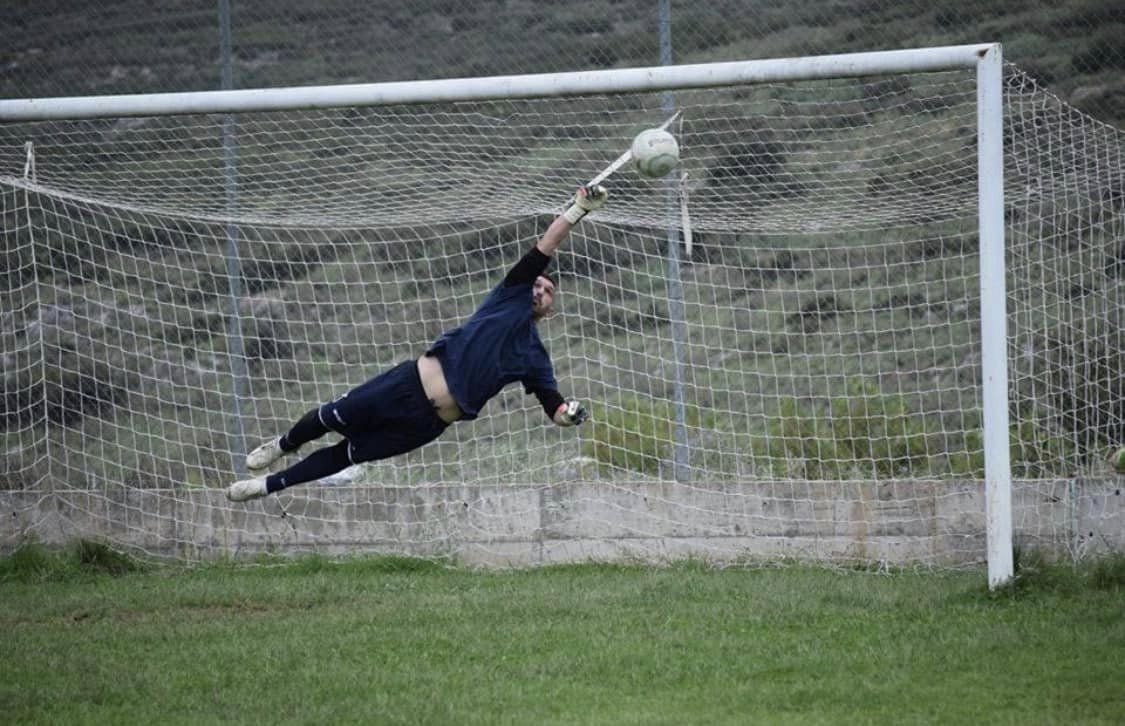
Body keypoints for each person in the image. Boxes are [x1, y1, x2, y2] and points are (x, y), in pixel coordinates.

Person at [226, 184, 608, 501]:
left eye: (547, 291)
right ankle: (282, 444)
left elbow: (553, 407)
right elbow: (546, 246)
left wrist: (570, 415)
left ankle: (265, 487)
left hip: (425, 423)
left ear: (549, 309)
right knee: (327, 418)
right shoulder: (508, 296)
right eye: (537, 283)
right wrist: (578, 210)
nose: (539, 289)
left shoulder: (535, 357)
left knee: (344, 455)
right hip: (404, 384)